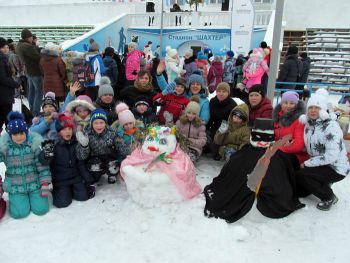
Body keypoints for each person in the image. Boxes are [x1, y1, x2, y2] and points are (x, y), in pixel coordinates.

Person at [204, 118, 303, 223]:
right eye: (259, 136)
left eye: (265, 137)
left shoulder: (278, 158)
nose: (261, 141)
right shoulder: (244, 154)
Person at [296, 94, 350, 211]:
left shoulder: (331, 126)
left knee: (303, 174)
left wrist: (307, 163)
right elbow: (311, 145)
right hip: (322, 164)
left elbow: (331, 156)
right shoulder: (309, 125)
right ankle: (322, 184)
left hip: (336, 168)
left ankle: (329, 196)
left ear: (323, 110)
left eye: (317, 107)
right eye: (310, 107)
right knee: (300, 180)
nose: (313, 110)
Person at [0, 112, 51, 219]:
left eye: (21, 133)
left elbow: (42, 166)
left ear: (26, 133)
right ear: (10, 135)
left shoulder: (33, 145)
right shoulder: (5, 148)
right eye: (15, 134)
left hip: (34, 184)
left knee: (41, 210)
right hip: (16, 187)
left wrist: (45, 183)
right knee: (19, 213)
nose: (19, 137)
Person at [49, 114, 94, 208]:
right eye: (64, 129)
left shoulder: (75, 143)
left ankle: (73, 190)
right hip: (61, 180)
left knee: (83, 196)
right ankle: (61, 191)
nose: (67, 132)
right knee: (62, 203)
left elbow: (80, 162)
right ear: (58, 132)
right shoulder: (53, 145)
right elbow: (45, 162)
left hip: (75, 177)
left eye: (69, 129)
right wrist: (45, 154)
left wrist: (88, 178)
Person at [76, 109, 129, 184]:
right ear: (91, 123)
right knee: (95, 168)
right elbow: (81, 157)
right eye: (96, 123)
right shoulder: (87, 134)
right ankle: (96, 176)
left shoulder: (112, 133)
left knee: (113, 166)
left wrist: (122, 145)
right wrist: (84, 146)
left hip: (109, 156)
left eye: (101, 122)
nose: (99, 125)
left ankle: (112, 175)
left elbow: (124, 149)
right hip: (94, 158)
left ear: (105, 123)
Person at [273, 91, 308, 167]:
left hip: (297, 155)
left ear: (296, 105)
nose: (288, 106)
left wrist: (278, 147)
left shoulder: (300, 120)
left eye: (292, 103)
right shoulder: (276, 118)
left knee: (274, 161)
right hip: (279, 151)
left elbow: (298, 145)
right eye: (285, 103)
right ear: (281, 104)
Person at [16, 29, 43, 116]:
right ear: (28, 37)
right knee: (38, 92)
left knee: (31, 92)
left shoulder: (19, 45)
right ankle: (36, 112)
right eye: (31, 37)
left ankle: (32, 110)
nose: (32, 39)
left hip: (28, 71)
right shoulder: (28, 47)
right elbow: (38, 57)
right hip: (35, 71)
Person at [176, 97, 207, 163]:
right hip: (181, 147)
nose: (190, 115)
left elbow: (203, 141)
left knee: (188, 161)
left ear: (197, 114)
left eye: (193, 114)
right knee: (176, 160)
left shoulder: (200, 125)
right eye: (189, 113)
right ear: (186, 112)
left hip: (194, 149)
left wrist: (190, 141)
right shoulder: (180, 122)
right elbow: (175, 134)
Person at [0, 37, 21, 134]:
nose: (6, 49)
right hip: (4, 95)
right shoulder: (1, 59)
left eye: (7, 47)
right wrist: (16, 84)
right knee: (8, 120)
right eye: (3, 47)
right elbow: (2, 78)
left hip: (4, 95)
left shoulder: (4, 58)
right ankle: (10, 142)